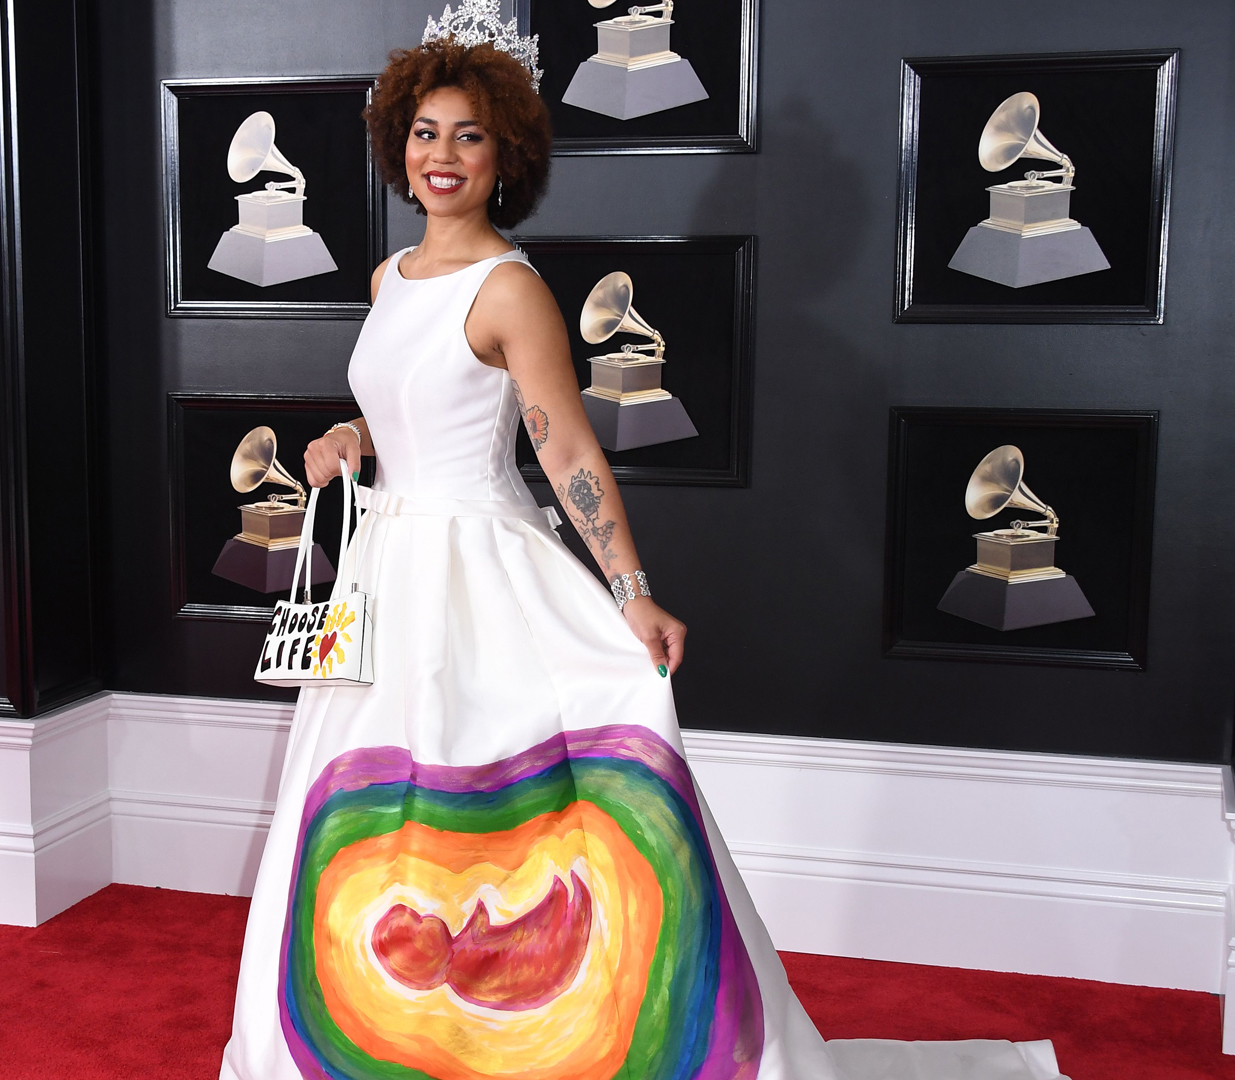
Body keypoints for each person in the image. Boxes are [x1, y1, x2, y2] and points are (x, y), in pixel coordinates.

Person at [219, 37, 1067, 1080]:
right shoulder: (392, 274)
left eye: (470, 137)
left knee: (496, 814)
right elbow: (409, 393)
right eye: (426, 132)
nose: (443, 155)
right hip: (383, 576)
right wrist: (352, 437)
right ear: (400, 144)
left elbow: (563, 447)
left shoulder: (511, 289)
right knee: (372, 813)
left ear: (505, 158)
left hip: (473, 577)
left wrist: (633, 595)